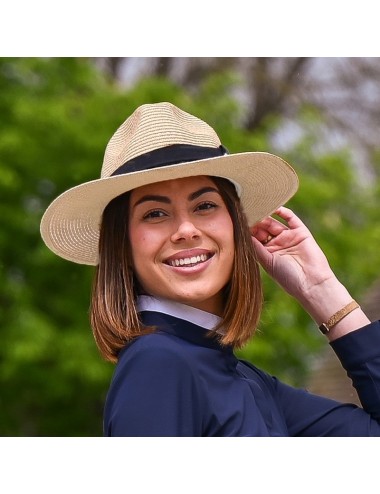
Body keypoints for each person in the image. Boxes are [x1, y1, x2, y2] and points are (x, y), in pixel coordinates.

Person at [40, 101, 380, 437]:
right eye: (155, 213)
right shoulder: (157, 365)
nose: (186, 230)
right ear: (122, 246)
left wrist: (319, 289)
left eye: (204, 205)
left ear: (236, 225)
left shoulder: (243, 378)